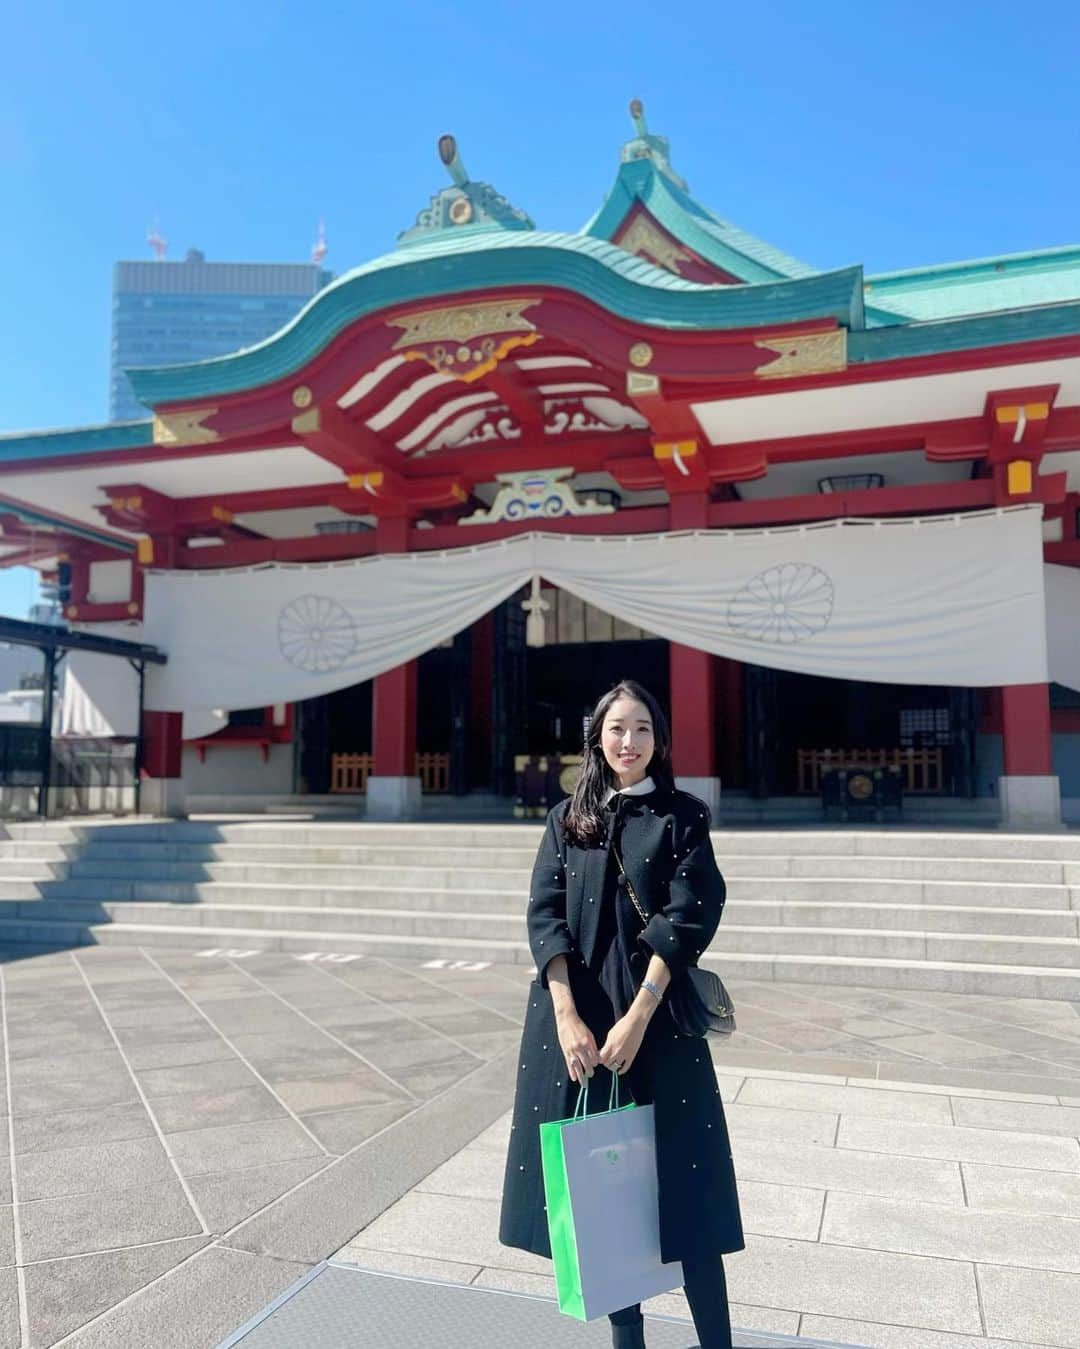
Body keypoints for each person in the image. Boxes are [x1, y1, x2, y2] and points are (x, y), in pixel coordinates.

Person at [499, 679, 745, 1349]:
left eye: (641, 728)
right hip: (579, 1030)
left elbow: (690, 914)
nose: (628, 741)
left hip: (656, 1029)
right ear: (597, 738)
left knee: (685, 1193)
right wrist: (565, 1015)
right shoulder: (565, 818)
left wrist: (639, 1014)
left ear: (659, 739)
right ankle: (626, 1338)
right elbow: (544, 916)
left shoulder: (682, 816)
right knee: (601, 1188)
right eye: (616, 728)